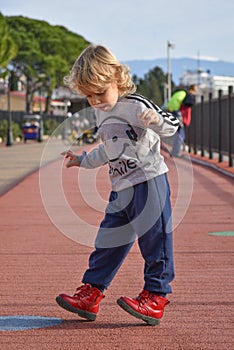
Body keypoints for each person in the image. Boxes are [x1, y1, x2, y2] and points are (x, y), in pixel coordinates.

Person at [56, 45, 179, 326]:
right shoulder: (102, 113)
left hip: (149, 182)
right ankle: (92, 293)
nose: (95, 100)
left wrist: (157, 120)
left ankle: (156, 296)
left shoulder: (136, 105)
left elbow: (173, 125)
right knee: (108, 241)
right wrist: (84, 159)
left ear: (118, 80)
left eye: (100, 92)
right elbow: (109, 149)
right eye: (88, 95)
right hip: (120, 187)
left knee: (155, 240)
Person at [166, 84, 197, 157]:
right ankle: (175, 152)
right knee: (180, 134)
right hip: (176, 111)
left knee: (179, 133)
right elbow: (188, 105)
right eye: (195, 91)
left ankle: (174, 151)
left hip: (172, 110)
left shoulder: (182, 93)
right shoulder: (187, 95)